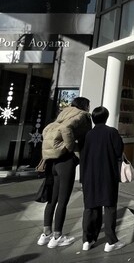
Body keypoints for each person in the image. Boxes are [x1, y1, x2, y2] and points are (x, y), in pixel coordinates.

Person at [38, 96, 92, 248]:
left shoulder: (62, 115)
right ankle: (57, 236)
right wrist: (70, 147)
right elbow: (66, 129)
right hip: (65, 162)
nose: (89, 108)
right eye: (88, 105)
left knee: (52, 199)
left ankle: (46, 234)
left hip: (52, 162)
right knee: (63, 200)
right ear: (84, 105)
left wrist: (55, 148)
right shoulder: (81, 115)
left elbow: (46, 130)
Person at [80, 106, 126, 252]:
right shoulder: (112, 132)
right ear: (106, 117)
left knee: (90, 207)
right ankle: (111, 241)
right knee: (109, 206)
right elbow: (118, 151)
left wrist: (82, 178)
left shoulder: (88, 135)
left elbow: (83, 156)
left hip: (89, 175)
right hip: (107, 174)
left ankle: (87, 240)